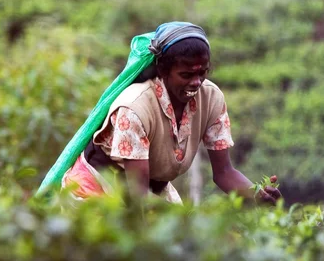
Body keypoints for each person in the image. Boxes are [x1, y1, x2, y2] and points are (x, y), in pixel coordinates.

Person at [61, 21, 281, 205]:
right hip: (96, 189)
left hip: (152, 191)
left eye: (202, 73)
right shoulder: (135, 108)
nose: (196, 82)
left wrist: (256, 197)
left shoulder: (211, 98)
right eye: (186, 74)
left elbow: (224, 172)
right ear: (163, 71)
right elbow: (137, 196)